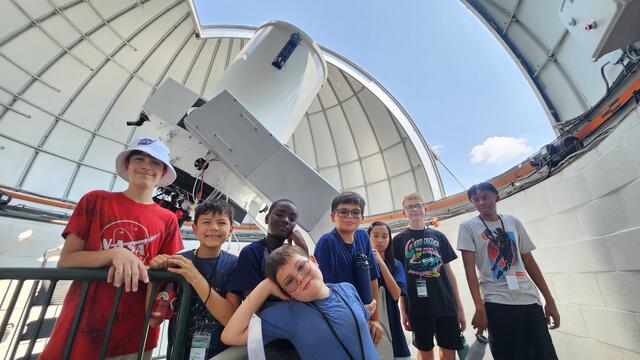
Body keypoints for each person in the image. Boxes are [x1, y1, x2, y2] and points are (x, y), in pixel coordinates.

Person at [40, 138, 183, 359]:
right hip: (83, 323)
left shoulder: (168, 219)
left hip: (135, 332)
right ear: (127, 165)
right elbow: (67, 260)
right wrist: (114, 253)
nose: (146, 165)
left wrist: (161, 265)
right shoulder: (95, 200)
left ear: (162, 171)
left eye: (155, 162)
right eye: (139, 158)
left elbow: (169, 270)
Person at [457, 182, 559, 360]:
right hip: (497, 302)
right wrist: (479, 308)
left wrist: (549, 300)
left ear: (497, 197)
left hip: (529, 300)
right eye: (476, 200)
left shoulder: (512, 221)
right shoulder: (468, 227)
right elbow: (470, 271)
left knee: (544, 354)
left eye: (485, 197)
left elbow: (528, 261)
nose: (481, 202)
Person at [221, 245, 379, 360]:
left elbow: (356, 322)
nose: (300, 278)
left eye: (302, 266)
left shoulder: (347, 289)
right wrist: (264, 287)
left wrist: (369, 316)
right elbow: (230, 335)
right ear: (285, 292)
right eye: (289, 281)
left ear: (313, 260)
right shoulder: (286, 314)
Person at [149, 199, 239, 359]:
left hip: (220, 355)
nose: (214, 228)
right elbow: (153, 321)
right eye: (206, 222)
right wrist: (155, 277)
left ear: (230, 229)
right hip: (178, 353)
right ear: (195, 228)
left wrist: (195, 277)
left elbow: (230, 319)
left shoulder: (235, 265)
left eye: (221, 223)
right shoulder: (177, 262)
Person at [227, 198, 307, 358]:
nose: (285, 220)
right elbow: (253, 304)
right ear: (266, 218)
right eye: (279, 214)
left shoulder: (297, 255)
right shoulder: (252, 252)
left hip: (300, 335)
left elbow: (309, 293)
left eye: (292, 219)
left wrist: (303, 248)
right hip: (270, 338)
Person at [392, 193, 465, 360]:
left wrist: (459, 307)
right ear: (404, 213)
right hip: (417, 308)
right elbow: (400, 279)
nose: (414, 209)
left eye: (417, 205)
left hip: (445, 305)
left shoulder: (439, 236)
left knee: (449, 353)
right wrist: (403, 311)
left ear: (425, 210)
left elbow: (449, 273)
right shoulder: (398, 241)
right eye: (409, 206)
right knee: (425, 353)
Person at [314, 191, 384, 345]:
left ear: (362, 218)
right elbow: (325, 292)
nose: (349, 217)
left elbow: (373, 278)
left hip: (365, 316)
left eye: (355, 212)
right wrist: (357, 316)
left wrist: (375, 319)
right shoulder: (327, 243)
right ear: (333, 216)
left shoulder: (363, 237)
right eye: (343, 212)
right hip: (341, 321)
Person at [367, 221, 411, 359]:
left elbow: (396, 293)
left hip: (393, 323)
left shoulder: (396, 265)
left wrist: (380, 262)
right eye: (375, 236)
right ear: (368, 237)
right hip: (370, 324)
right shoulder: (361, 264)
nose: (380, 240)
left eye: (385, 236)